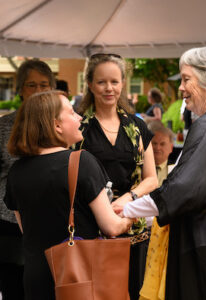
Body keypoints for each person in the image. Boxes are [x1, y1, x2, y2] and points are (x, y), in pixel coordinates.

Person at [117, 47, 206, 300]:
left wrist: (126, 208)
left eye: (186, 79)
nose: (181, 87)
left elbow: (181, 191)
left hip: (203, 252)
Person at [3, 91, 133, 300]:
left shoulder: (16, 172)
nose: (79, 117)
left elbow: (28, 230)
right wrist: (132, 214)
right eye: (72, 112)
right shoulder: (81, 161)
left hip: (35, 280)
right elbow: (111, 227)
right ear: (56, 125)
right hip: (78, 279)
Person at [76, 53, 158, 300]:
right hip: (92, 229)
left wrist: (129, 198)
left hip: (133, 227)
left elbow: (152, 178)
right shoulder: (80, 129)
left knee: (134, 292)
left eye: (114, 81)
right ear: (90, 84)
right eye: (101, 82)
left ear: (123, 83)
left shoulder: (137, 127)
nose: (109, 88)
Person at [0, 59, 55, 300]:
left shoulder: (62, 125)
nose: (38, 91)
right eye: (32, 85)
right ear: (21, 89)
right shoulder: (4, 127)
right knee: (14, 289)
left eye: (44, 85)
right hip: (9, 226)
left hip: (51, 223)